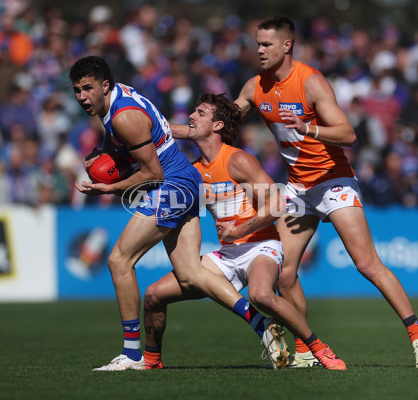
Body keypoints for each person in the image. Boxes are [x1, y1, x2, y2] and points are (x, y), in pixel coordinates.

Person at [173, 16, 418, 369]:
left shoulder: (311, 82)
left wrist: (310, 128)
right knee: (285, 273)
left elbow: (347, 134)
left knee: (367, 264)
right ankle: (303, 349)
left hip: (333, 181)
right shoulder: (255, 86)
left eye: (266, 44)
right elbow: (215, 125)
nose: (259, 50)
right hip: (298, 188)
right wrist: (160, 132)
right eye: (257, 43)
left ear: (287, 45)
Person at [69, 56, 283, 371]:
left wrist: (110, 188)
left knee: (118, 261)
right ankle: (261, 326)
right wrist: (103, 153)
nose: (82, 97)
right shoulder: (113, 101)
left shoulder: (125, 116)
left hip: (171, 186)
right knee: (191, 274)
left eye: (87, 88)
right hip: (185, 181)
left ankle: (131, 354)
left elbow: (152, 173)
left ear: (104, 85)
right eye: (76, 90)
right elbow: (116, 138)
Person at [144, 93, 346, 370]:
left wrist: (239, 229)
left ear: (217, 126)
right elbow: (167, 136)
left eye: (200, 113)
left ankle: (320, 349)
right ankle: (151, 362)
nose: (192, 116)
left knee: (261, 295)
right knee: (154, 295)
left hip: (261, 246)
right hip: (225, 255)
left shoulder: (237, 160)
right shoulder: (194, 171)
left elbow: (277, 202)